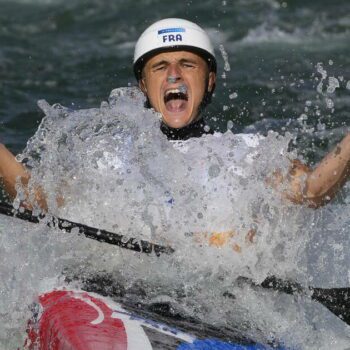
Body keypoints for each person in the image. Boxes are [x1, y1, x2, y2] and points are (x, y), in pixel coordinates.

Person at [0, 18, 350, 215]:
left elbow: (310, 192)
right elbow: (39, 201)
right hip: (125, 296)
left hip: (224, 307)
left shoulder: (253, 153)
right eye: (160, 67)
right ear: (142, 86)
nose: (173, 76)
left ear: (209, 80)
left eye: (187, 64)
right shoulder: (106, 156)